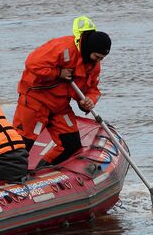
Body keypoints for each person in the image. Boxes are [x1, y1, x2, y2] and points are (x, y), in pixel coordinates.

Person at [14, 16, 111, 166]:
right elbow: (32, 64)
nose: (99, 61)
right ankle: (8, 179)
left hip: (59, 106)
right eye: (97, 56)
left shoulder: (93, 65)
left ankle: (42, 173)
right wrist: (58, 73)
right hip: (35, 102)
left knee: (71, 146)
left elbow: (92, 89)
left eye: (102, 58)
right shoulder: (62, 47)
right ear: (89, 49)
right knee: (22, 145)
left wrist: (88, 101)